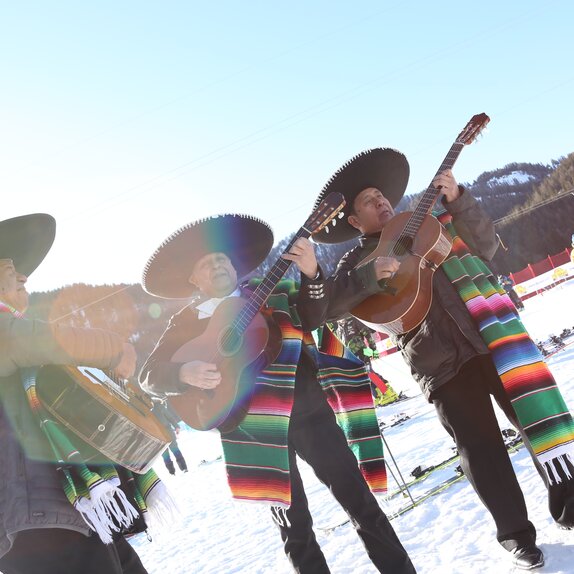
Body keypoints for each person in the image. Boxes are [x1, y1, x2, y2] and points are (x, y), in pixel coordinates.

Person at [311, 148, 574, 571]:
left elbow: (487, 245)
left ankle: (571, 503)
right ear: (355, 221)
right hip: (438, 361)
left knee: (538, 419)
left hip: (492, 337)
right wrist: (368, 274)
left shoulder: (435, 223)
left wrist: (458, 198)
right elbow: (331, 306)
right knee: (480, 451)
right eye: (368, 201)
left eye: (381, 195)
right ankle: (515, 535)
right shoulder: (354, 262)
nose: (380, 201)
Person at [139, 213, 416, 574]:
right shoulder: (184, 324)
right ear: (193, 278)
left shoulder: (272, 293)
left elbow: (316, 314)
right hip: (252, 431)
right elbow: (148, 376)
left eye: (222, 259)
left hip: (309, 412)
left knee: (360, 503)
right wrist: (182, 371)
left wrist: (312, 273)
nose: (218, 266)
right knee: (294, 528)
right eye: (207, 264)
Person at [0, 213, 149, 574]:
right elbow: (28, 338)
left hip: (64, 505)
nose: (22, 277)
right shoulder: (13, 336)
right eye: (7, 269)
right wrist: (112, 349)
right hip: (34, 520)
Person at [153, 399, 188, 474]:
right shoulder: (148, 410)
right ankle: (172, 472)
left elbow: (170, 417)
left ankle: (183, 468)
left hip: (167, 432)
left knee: (174, 450)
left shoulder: (159, 407)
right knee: (165, 454)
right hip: (158, 435)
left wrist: (176, 426)